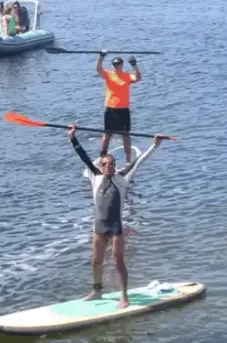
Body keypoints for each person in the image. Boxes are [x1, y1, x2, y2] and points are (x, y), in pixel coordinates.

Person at [68, 125, 166, 308]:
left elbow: (139, 161)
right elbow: (82, 156)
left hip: (115, 229)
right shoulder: (94, 176)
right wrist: (72, 138)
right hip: (98, 228)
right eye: (104, 164)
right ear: (100, 166)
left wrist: (155, 145)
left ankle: (124, 297)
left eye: (111, 164)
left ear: (115, 166)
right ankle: (97, 291)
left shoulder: (122, 178)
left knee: (118, 262)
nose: (108, 167)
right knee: (95, 262)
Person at [97, 51, 141, 167]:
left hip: (123, 110)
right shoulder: (108, 74)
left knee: (125, 135)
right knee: (107, 135)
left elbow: (137, 78)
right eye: (114, 64)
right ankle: (102, 158)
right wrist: (101, 56)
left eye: (118, 64)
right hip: (110, 109)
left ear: (122, 65)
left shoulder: (127, 76)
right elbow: (98, 69)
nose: (116, 66)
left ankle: (127, 160)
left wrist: (134, 65)